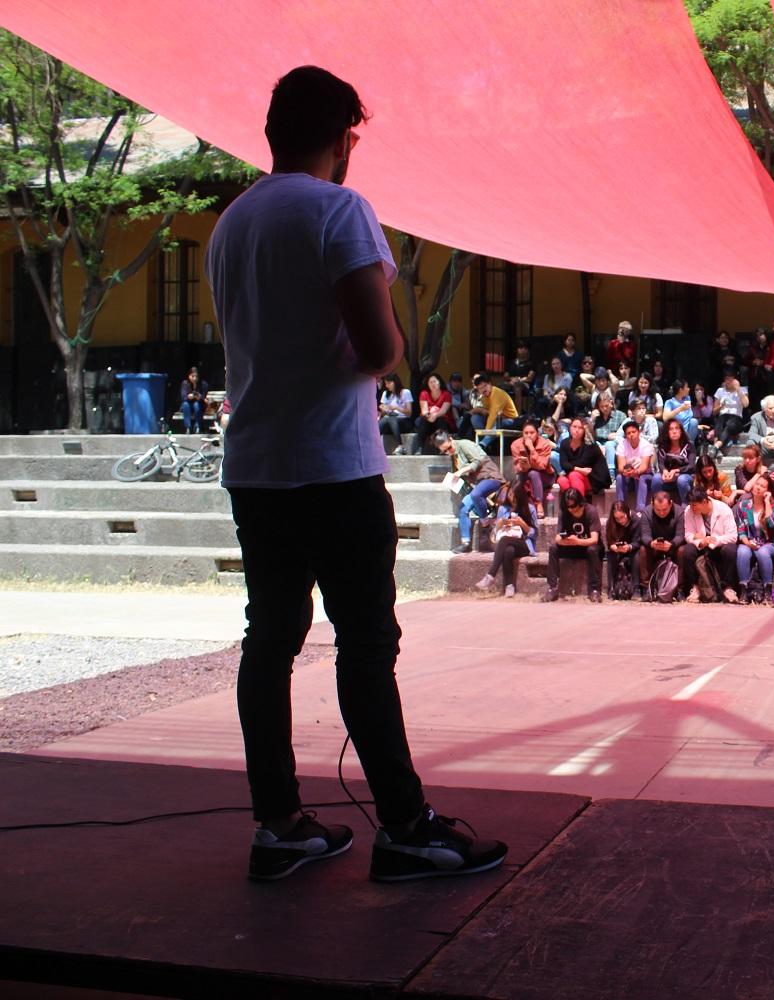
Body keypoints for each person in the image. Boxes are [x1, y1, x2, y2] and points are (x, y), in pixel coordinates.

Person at [206, 65, 504, 882]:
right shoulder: (339, 209)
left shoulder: (231, 225)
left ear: (272, 133)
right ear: (345, 137)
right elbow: (379, 350)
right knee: (365, 647)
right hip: (333, 465)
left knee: (269, 641)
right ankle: (405, 826)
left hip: (256, 465)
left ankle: (280, 824)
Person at [437, 430, 502, 554]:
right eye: (444, 451)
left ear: (451, 439)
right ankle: (465, 543)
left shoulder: (464, 444)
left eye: (449, 448)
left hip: (489, 477)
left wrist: (460, 472)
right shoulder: (453, 457)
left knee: (476, 494)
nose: (448, 452)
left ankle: (485, 524)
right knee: (463, 509)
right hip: (475, 486)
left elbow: (477, 461)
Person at [473, 478, 536, 599]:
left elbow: (534, 535)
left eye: (515, 495)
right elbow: (496, 534)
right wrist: (499, 525)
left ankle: (490, 576)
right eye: (511, 494)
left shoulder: (529, 509)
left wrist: (523, 525)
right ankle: (509, 586)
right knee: (508, 551)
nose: (512, 498)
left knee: (504, 541)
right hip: (508, 542)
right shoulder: (503, 509)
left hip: (525, 544)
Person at [680, 488, 739, 602]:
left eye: (694, 505)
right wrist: (701, 541)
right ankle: (695, 588)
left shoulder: (723, 509)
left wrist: (713, 540)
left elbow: (732, 536)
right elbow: (688, 535)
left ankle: (728, 588)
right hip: (701, 545)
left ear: (704, 501)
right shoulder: (689, 511)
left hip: (719, 545)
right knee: (687, 550)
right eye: (690, 505)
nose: (692, 508)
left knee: (730, 550)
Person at [544, 488, 602, 603]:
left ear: (581, 504)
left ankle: (595, 590)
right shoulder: (565, 512)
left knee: (593, 550)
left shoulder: (591, 511)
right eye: (568, 508)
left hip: (587, 547)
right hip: (571, 546)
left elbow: (594, 539)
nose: (571, 510)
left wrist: (578, 541)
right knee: (553, 548)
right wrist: (567, 541)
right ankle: (552, 588)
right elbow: (557, 538)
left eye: (573, 508)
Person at [734, 472, 774, 593]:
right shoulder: (743, 505)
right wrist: (747, 543)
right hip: (750, 542)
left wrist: (766, 502)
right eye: (757, 484)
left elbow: (772, 524)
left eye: (763, 486)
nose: (758, 488)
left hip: (769, 544)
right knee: (742, 551)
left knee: (763, 552)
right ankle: (743, 591)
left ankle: (767, 590)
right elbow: (741, 530)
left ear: (768, 490)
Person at [636, 490, 684, 595]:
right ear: (652, 504)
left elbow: (681, 535)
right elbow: (644, 535)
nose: (662, 513)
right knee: (643, 550)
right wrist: (651, 543)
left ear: (671, 503)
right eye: (658, 510)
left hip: (673, 546)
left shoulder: (679, 512)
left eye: (665, 509)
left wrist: (672, 544)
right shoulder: (646, 512)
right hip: (654, 546)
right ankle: (646, 588)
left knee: (682, 551)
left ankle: (680, 588)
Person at [509, 420, 554, 519]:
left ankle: (539, 504)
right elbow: (516, 467)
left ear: (537, 434)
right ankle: (515, 506)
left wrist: (531, 449)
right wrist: (523, 467)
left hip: (545, 475)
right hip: (525, 473)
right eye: (526, 433)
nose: (529, 436)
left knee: (534, 473)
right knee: (517, 481)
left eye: (532, 433)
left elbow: (542, 465)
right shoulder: (516, 445)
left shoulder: (545, 444)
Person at [557, 417, 610, 498]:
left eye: (580, 428)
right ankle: (571, 505)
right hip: (579, 474)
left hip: (595, 478)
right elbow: (563, 464)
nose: (577, 430)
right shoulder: (564, 443)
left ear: (585, 430)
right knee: (562, 480)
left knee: (573, 475)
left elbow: (582, 463)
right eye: (574, 427)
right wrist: (579, 469)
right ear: (569, 428)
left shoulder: (590, 445)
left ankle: (579, 505)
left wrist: (575, 469)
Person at [600, 499, 640, 598]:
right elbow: (610, 542)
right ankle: (611, 588)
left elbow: (639, 541)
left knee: (637, 555)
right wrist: (613, 546)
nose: (620, 521)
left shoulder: (636, 520)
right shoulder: (611, 522)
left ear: (627, 512)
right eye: (617, 518)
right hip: (618, 550)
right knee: (610, 555)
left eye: (622, 517)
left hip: (633, 549)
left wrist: (629, 547)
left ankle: (636, 588)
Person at [650, 416, 696, 502]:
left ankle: (686, 506)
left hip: (685, 478)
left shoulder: (689, 446)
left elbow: (691, 466)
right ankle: (657, 504)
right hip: (668, 479)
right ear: (667, 432)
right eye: (671, 429)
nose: (674, 431)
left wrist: (676, 471)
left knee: (682, 479)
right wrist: (664, 471)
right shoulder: (663, 446)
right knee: (656, 478)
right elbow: (661, 463)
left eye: (677, 428)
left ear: (681, 431)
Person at [614, 420, 654, 510]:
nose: (631, 435)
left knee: (641, 478)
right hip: (628, 475)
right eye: (628, 433)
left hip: (645, 475)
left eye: (633, 432)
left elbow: (644, 467)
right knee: (620, 477)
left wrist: (635, 472)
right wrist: (626, 472)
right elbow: (621, 466)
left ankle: (640, 510)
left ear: (639, 432)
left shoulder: (646, 445)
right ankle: (621, 507)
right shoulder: (622, 445)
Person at [414, 373, 455, 453]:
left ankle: (443, 448)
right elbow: (424, 410)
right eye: (430, 382)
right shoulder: (424, 393)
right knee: (423, 420)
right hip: (429, 420)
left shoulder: (446, 394)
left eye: (435, 381)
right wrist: (429, 415)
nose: (433, 384)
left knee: (441, 419)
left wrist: (435, 415)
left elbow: (444, 410)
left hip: (443, 421)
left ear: (439, 382)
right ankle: (419, 448)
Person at [712, 368, 750, 445]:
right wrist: (720, 406)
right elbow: (714, 412)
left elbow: (746, 404)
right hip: (722, 418)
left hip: (736, 419)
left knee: (730, 424)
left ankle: (716, 446)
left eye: (731, 379)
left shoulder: (743, 390)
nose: (728, 381)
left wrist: (738, 389)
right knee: (720, 420)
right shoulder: (720, 391)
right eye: (726, 379)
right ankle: (716, 446)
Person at [377, 373, 413, 447]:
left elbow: (409, 413)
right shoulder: (385, 394)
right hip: (389, 421)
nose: (387, 386)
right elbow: (383, 414)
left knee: (391, 419)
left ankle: (400, 446)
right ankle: (372, 445)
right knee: (384, 420)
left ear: (395, 382)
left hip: (403, 421)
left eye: (389, 383)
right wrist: (384, 409)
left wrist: (396, 408)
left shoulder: (405, 392)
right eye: (386, 384)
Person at [180, 366, 207, 433]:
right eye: (193, 376)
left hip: (199, 405)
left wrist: (199, 397)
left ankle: (197, 426)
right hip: (188, 404)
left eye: (196, 376)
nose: (195, 378)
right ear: (189, 376)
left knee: (196, 404)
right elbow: (183, 397)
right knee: (185, 404)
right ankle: (188, 427)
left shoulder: (203, 384)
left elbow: (204, 397)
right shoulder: (185, 384)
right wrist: (188, 396)